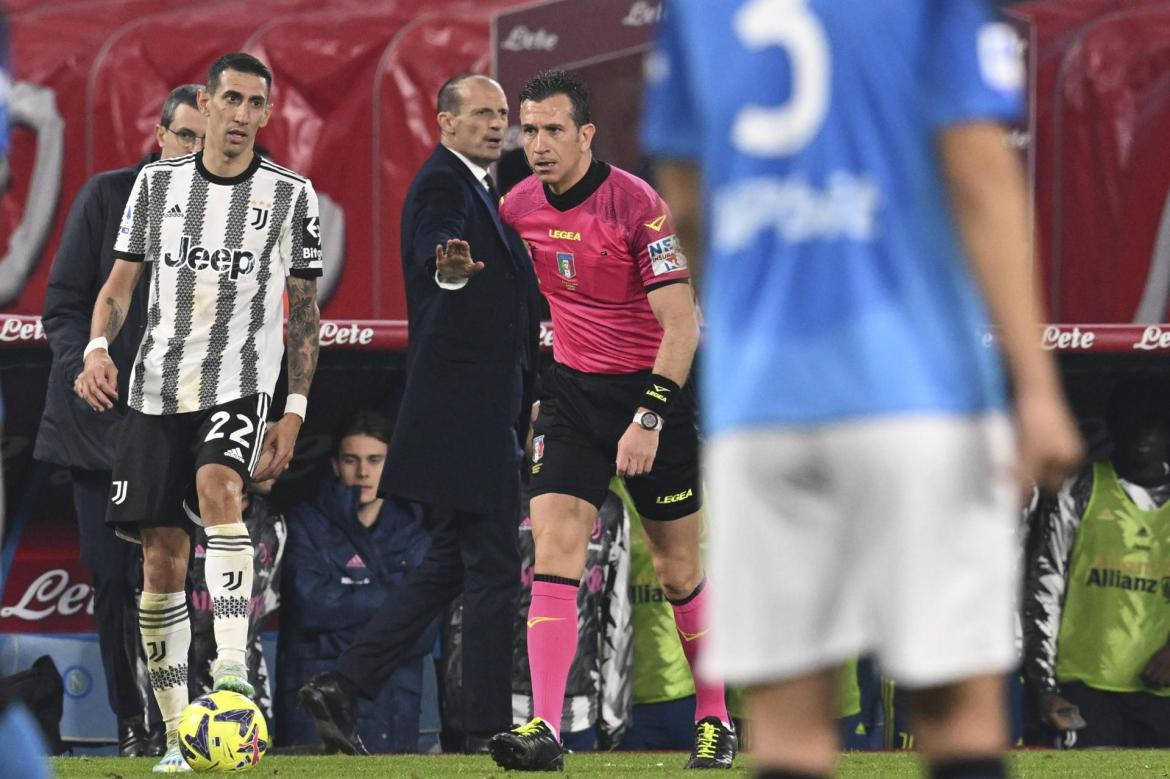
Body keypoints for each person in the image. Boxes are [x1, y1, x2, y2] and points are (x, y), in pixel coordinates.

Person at [642, 2, 1084, 778]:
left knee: (787, 715)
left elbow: (684, 194)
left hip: (764, 402)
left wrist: (750, 328)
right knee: (956, 707)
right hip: (918, 389)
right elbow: (978, 170)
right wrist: (1037, 387)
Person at [73, 51, 321, 773]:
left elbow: (302, 316)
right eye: (232, 100)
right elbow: (120, 284)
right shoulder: (156, 185)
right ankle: (184, 734)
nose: (243, 115)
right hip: (154, 388)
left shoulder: (291, 196)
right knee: (159, 558)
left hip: (239, 382)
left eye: (256, 103)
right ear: (205, 105)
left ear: (267, 114)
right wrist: (95, 346)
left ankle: (235, 674)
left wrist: (294, 409)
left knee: (221, 488)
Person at [489, 69, 734, 771]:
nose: (537, 144)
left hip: (651, 394)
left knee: (679, 567)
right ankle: (544, 727)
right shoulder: (518, 206)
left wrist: (649, 418)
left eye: (553, 130)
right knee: (554, 551)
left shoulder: (639, 206)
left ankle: (714, 719)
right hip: (571, 396)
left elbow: (681, 327)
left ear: (586, 134)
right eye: (528, 130)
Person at [298, 73, 539, 756]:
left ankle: (344, 683)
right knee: (492, 563)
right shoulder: (443, 186)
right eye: (483, 114)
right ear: (443, 122)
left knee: (451, 561)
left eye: (502, 114)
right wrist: (452, 267)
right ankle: (490, 727)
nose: (498, 125)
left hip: (473, 410)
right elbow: (442, 252)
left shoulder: (482, 186)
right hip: (465, 415)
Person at [34, 83, 205, 757]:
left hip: (175, 420)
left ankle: (180, 719)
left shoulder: (224, 211)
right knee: (112, 578)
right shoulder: (106, 197)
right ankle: (131, 719)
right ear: (158, 135)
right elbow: (63, 302)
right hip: (100, 423)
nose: (193, 149)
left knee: (174, 575)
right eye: (184, 135)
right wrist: (87, 361)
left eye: (205, 137)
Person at [1024, 378, 1170, 748]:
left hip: (1159, 696)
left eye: (1153, 422)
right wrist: (1045, 689)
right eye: (1132, 420)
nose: (1143, 433)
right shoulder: (1080, 488)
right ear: (1114, 424)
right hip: (1084, 688)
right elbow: (1045, 588)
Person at [279, 411, 436, 753]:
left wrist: (345, 610)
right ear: (335, 465)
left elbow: (423, 630)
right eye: (352, 460)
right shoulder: (305, 523)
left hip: (394, 702)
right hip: (316, 697)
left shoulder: (417, 533)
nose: (363, 472)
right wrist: (393, 608)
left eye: (375, 460)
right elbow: (310, 609)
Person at [189, 475, 285, 722]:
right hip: (185, 682)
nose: (283, 462)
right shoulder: (182, 517)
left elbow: (270, 597)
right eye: (269, 449)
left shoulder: (274, 524)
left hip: (249, 679)